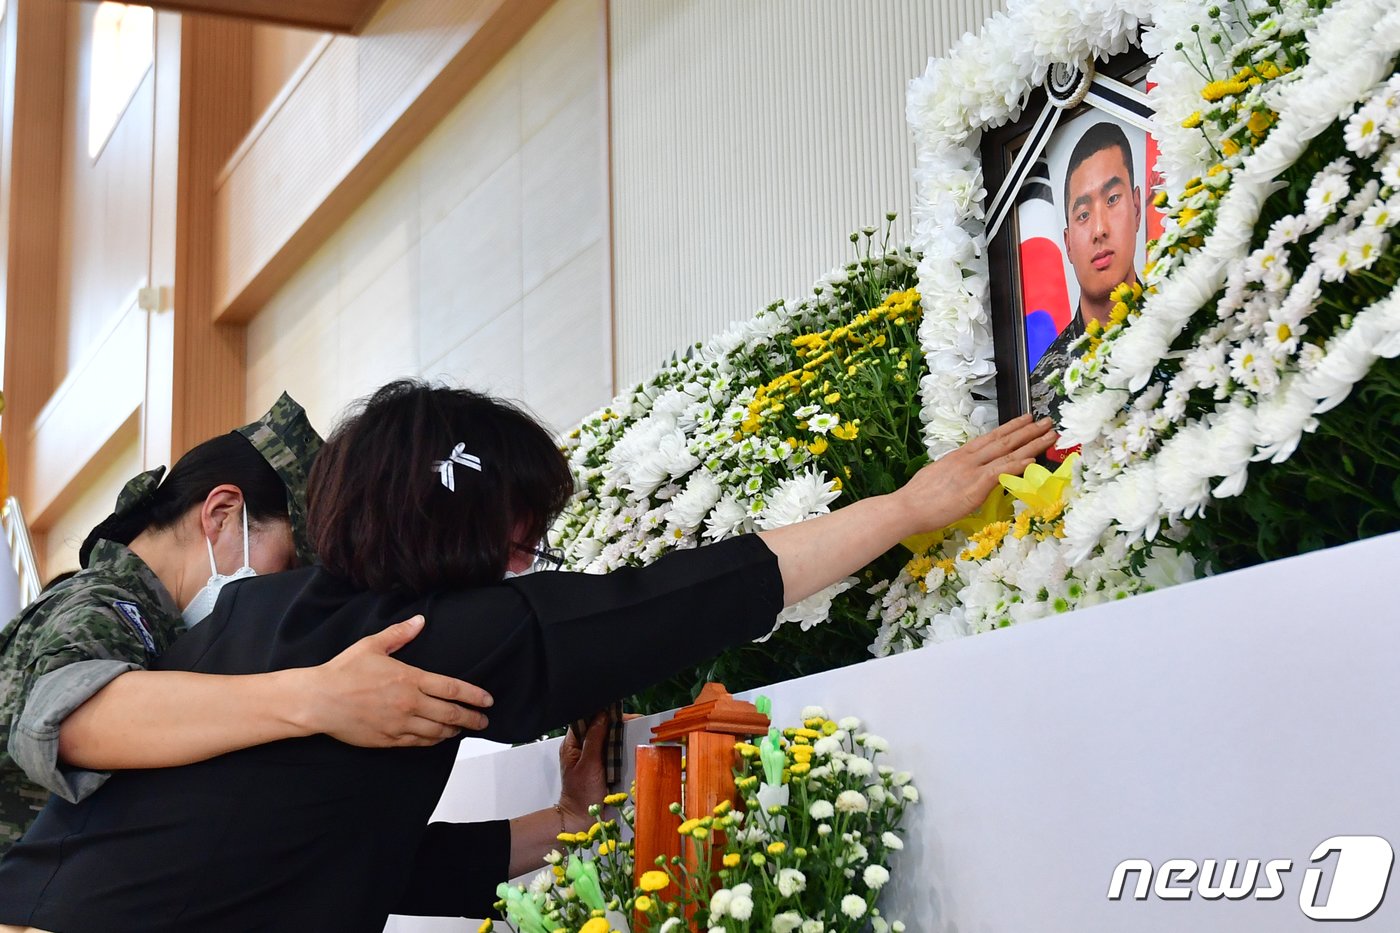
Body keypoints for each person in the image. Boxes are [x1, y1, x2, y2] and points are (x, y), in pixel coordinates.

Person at [0, 380, 1056, 931]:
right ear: (468, 527)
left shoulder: (251, 619)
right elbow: (682, 600)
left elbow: (343, 847)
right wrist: (903, 508)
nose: (530, 557)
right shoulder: (441, 637)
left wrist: (554, 826)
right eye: (523, 529)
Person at [0, 393, 492, 855]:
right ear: (221, 512)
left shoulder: (183, 640)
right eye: (291, 563)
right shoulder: (103, 601)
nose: (289, 595)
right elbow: (72, 720)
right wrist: (320, 697)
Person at [1030, 120, 1143, 423]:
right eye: (1083, 215)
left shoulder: (1183, 330)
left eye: (1112, 199)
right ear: (1067, 243)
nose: (1099, 229)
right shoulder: (1041, 387)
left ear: (1136, 207)